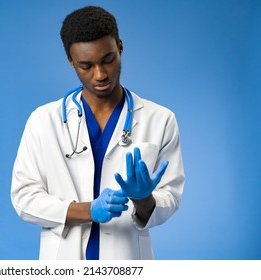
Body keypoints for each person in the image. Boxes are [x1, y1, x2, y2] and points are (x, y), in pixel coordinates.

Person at [11, 6, 185, 260]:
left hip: (127, 259)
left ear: (120, 47)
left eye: (108, 60)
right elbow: (24, 197)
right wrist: (87, 211)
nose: (100, 74)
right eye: (86, 66)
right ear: (70, 61)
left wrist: (144, 199)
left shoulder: (160, 120)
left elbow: (170, 197)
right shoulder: (43, 121)